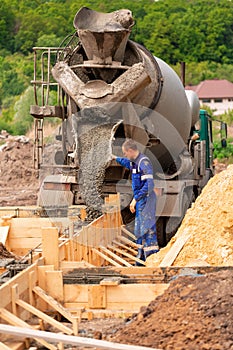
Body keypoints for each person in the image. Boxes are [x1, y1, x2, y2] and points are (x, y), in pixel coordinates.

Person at [112, 138, 159, 263]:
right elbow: (126, 162)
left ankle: (152, 258)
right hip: (141, 200)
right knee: (139, 230)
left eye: (125, 153)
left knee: (147, 229)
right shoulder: (134, 162)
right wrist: (114, 158)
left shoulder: (144, 163)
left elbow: (149, 185)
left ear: (131, 150)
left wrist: (135, 199)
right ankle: (141, 259)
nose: (125, 155)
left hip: (146, 200)